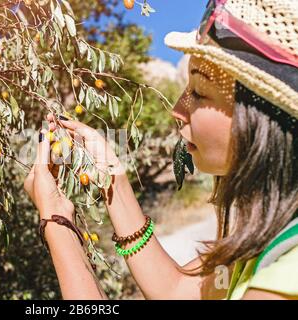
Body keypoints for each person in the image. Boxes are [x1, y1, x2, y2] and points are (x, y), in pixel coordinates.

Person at [24, 0, 298, 300]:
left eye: (199, 91)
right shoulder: (273, 237)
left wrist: (56, 221)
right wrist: (112, 178)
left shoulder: (286, 275)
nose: (178, 110)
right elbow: (176, 291)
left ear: (262, 116)